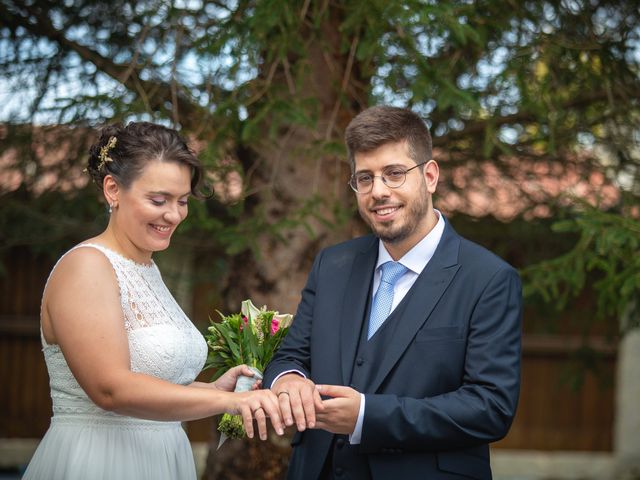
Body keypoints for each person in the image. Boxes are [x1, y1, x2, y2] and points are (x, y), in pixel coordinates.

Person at [263, 105, 522, 480]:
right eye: (364, 178)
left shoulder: (489, 279)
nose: (378, 191)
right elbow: (291, 355)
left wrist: (367, 416)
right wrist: (288, 379)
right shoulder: (332, 265)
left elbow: (490, 407)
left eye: (394, 174)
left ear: (430, 176)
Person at [23, 122, 284, 480]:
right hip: (101, 461)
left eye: (182, 201)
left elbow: (148, 382)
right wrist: (230, 402)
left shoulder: (147, 268)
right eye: (158, 200)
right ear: (113, 189)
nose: (173, 215)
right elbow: (111, 389)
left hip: (162, 459)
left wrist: (213, 388)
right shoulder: (86, 266)